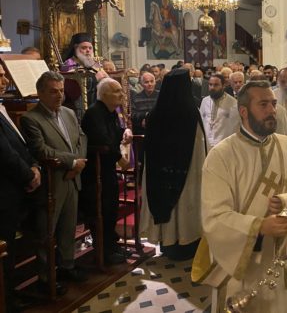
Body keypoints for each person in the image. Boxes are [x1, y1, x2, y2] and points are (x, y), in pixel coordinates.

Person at [193, 80, 287, 313]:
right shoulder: (221, 156)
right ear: (244, 111)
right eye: (263, 105)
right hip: (239, 266)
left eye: (273, 104)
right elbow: (214, 217)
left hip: (276, 260)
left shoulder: (285, 146)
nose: (272, 110)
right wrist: (260, 226)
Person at [20, 72, 88, 288]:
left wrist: (78, 164)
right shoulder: (31, 118)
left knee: (68, 228)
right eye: (53, 91)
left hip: (72, 179)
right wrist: (73, 162)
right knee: (47, 232)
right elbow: (41, 150)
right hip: (53, 182)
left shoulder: (68, 112)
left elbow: (82, 138)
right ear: (40, 93)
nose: (59, 95)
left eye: (61, 91)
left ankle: (67, 266)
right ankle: (46, 277)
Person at [141, 69, 206, 260]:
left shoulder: (155, 113)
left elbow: (149, 146)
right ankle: (187, 243)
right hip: (188, 172)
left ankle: (167, 244)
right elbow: (200, 146)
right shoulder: (191, 112)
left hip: (161, 174)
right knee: (185, 206)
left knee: (166, 206)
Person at [0, 65, 42, 310]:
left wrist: (34, 165)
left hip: (16, 187)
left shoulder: (3, 107)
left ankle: (11, 293)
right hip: (5, 190)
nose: (5, 79)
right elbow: (4, 154)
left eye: (4, 75)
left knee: (14, 244)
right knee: (5, 244)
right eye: (0, 76)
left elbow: (21, 146)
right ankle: (6, 298)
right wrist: (29, 175)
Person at [81, 78, 132, 264]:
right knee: (101, 210)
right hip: (95, 172)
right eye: (117, 91)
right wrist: (120, 158)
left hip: (107, 170)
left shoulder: (111, 112)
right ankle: (104, 251)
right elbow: (103, 140)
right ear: (104, 94)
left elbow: (115, 133)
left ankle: (111, 245)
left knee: (111, 209)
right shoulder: (93, 113)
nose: (121, 94)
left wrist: (125, 131)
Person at [200, 73, 239, 150]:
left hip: (224, 146)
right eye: (210, 84)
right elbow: (202, 121)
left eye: (216, 85)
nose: (212, 87)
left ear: (223, 85)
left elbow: (236, 128)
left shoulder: (233, 103)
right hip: (206, 144)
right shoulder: (205, 101)